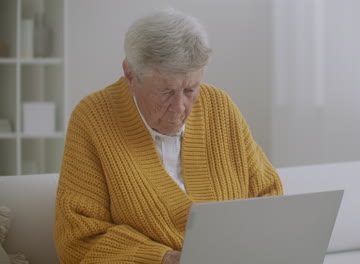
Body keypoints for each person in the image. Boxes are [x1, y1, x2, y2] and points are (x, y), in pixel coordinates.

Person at [54, 8, 283, 264]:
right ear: (130, 75)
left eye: (190, 90)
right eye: (165, 92)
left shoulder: (219, 106)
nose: (179, 107)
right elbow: (79, 238)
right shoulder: (93, 118)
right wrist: (164, 259)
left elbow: (268, 194)